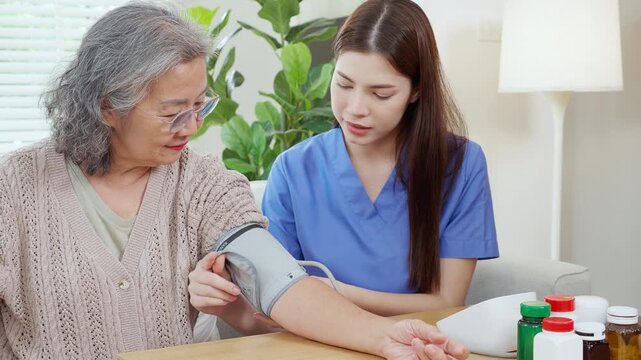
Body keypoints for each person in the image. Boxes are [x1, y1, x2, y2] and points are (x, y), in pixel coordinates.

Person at [0, 2, 468, 359]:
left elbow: (278, 278)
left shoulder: (203, 182)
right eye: (172, 112)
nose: (192, 126)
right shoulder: (15, 187)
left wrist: (383, 337)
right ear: (108, 107)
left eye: (199, 105)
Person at [261, 0, 500, 317]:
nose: (356, 107)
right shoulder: (293, 169)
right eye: (344, 84)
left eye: (381, 93)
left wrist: (334, 291)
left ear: (416, 91)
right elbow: (275, 294)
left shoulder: (461, 164)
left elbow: (447, 302)